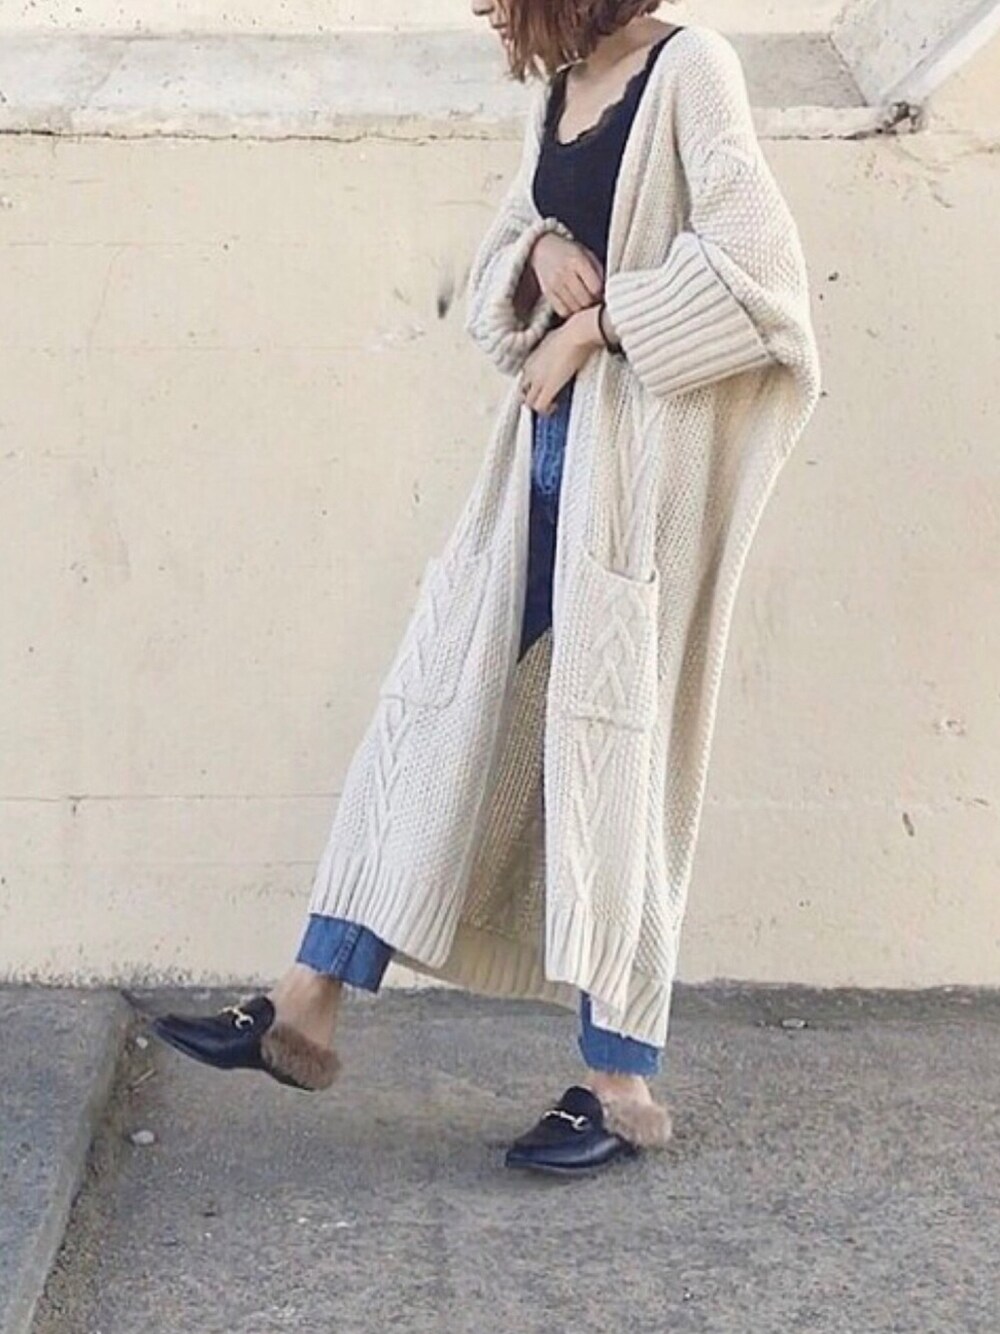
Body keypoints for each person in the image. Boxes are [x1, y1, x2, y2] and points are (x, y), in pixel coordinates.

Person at [151, 0, 821, 1178]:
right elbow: (495, 292)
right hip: (530, 479)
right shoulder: (560, 88)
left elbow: (761, 280)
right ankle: (306, 999)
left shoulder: (692, 70)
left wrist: (596, 326)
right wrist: (535, 258)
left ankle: (619, 1086)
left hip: (629, 495)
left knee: (613, 764)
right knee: (429, 720)